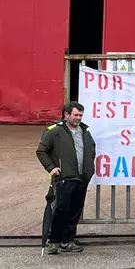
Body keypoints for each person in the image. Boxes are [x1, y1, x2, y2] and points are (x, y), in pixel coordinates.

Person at [36, 102, 96, 255]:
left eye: (81, 115)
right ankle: (54, 241)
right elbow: (41, 151)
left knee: (75, 209)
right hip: (65, 176)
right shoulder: (54, 131)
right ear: (66, 115)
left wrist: (89, 166)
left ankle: (67, 240)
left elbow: (92, 148)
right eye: (76, 115)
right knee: (61, 209)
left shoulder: (84, 131)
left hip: (82, 176)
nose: (79, 118)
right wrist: (51, 168)